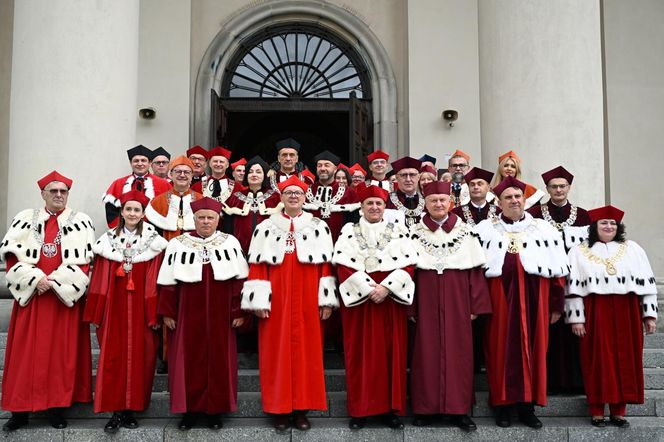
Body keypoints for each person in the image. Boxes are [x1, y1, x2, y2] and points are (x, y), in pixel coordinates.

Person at [241, 175, 338, 432]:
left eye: (298, 193)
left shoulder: (318, 226)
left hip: (308, 299)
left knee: (308, 355)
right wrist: (258, 300)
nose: (293, 196)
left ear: (305, 197)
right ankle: (279, 410)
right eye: (288, 193)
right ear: (281, 197)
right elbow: (258, 266)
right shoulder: (265, 227)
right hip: (276, 299)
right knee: (276, 354)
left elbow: (326, 265)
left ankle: (302, 410)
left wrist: (326, 299)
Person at [1, 171, 95, 431]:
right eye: (53, 191)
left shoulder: (81, 221)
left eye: (63, 191)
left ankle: (56, 408)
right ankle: (19, 412)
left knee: (60, 357)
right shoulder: (24, 219)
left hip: (63, 300)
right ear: (43, 194)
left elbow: (85, 261)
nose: (58, 195)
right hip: (32, 299)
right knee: (24, 357)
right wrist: (35, 280)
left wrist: (55, 282)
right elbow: (11, 257)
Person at [475, 176, 568, 429]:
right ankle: (502, 406)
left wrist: (556, 305)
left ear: (525, 200)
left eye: (518, 197)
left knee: (534, 351)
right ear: (499, 202)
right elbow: (474, 271)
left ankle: (528, 407)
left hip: (536, 301)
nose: (514, 201)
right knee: (497, 351)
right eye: (508, 197)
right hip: (498, 303)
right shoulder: (485, 230)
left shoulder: (544, 229)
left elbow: (558, 272)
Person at [157, 197, 249, 430]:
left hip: (221, 316)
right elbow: (168, 282)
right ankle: (189, 412)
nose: (206, 221)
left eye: (210, 217)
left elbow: (239, 281)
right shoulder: (179, 244)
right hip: (187, 314)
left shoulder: (230, 243)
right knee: (188, 362)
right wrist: (168, 312)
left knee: (219, 361)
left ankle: (214, 412)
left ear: (218, 219)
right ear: (194, 219)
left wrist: (238, 311)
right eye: (201, 217)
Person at [332, 184, 417, 430]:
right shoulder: (349, 231)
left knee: (392, 356)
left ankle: (391, 410)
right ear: (361, 206)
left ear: (385, 207)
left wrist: (387, 288)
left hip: (389, 302)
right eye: (369, 203)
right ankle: (361, 410)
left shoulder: (399, 230)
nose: (374, 207)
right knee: (361, 357)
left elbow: (409, 264)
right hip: (361, 304)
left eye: (379, 204)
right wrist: (369, 289)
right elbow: (343, 264)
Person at [408, 181, 491, 431]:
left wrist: (475, 304)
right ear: (426, 203)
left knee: (460, 354)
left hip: (458, 300)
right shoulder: (413, 231)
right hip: (425, 298)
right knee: (425, 352)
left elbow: (476, 273)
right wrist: (410, 307)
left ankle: (459, 410)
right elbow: (408, 272)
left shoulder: (466, 232)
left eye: (442, 200)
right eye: (433, 200)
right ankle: (425, 409)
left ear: (450, 203)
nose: (438, 204)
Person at [565, 205, 657, 428]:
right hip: (595, 308)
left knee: (626, 359)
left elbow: (647, 283)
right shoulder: (579, 251)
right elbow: (571, 286)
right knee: (597, 359)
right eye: (604, 223)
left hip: (627, 309)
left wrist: (649, 314)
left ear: (619, 227)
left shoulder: (633, 249)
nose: (608, 226)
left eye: (613, 223)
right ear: (594, 227)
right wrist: (577, 316)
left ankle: (619, 411)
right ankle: (597, 410)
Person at [84, 190, 168, 433]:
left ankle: (132, 410)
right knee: (113, 359)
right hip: (114, 310)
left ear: (143, 215)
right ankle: (115, 411)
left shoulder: (153, 243)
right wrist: (97, 312)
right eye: (128, 209)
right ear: (122, 212)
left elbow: (154, 280)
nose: (132, 213)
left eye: (137, 210)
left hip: (142, 310)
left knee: (142, 358)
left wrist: (154, 313)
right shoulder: (107, 241)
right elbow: (99, 279)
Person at [528, 165, 591, 394]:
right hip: (546, 278)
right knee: (549, 326)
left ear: (569, 188)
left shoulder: (583, 215)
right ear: (547, 189)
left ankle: (575, 381)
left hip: (575, 279)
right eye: (553, 187)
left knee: (574, 328)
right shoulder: (534, 214)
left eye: (562, 186)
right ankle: (549, 381)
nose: (558, 190)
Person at [223, 155, 282, 254]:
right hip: (240, 251)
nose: (254, 175)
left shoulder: (275, 197)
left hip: (269, 251)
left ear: (264, 175)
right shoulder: (235, 197)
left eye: (258, 172)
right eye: (250, 172)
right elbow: (228, 226)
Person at [102, 144, 171, 227]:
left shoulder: (163, 184)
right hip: (125, 232)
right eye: (136, 161)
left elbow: (169, 211)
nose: (140, 163)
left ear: (149, 163)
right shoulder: (118, 183)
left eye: (143, 160)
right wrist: (122, 229)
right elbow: (111, 211)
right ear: (131, 163)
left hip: (155, 231)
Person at [304, 150, 359, 240]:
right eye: (319, 165)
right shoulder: (306, 191)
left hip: (340, 244)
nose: (322, 168)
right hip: (311, 244)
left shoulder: (349, 193)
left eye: (327, 165)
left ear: (335, 169)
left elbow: (355, 223)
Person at [145, 155, 202, 241]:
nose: (182, 175)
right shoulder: (157, 202)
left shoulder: (201, 200)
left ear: (192, 175)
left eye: (186, 172)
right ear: (171, 174)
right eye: (178, 171)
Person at [386, 156, 424, 227]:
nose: (408, 179)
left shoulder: (427, 201)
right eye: (403, 175)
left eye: (412, 175)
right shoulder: (386, 200)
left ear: (418, 177)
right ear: (397, 178)